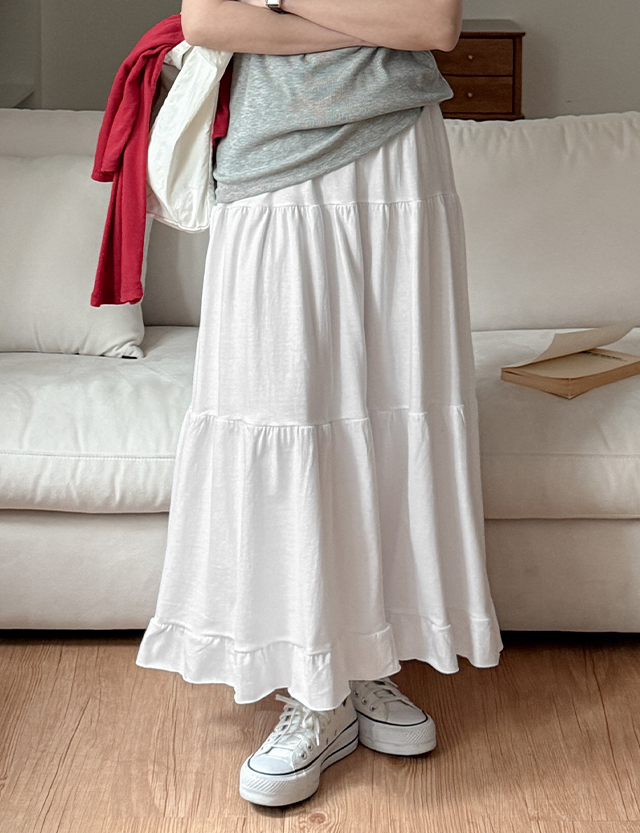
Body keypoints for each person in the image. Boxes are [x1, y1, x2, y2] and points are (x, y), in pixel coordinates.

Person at [136, 0, 504, 807]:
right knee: (282, 412)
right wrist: (369, 21)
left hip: (397, 157)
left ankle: (366, 659)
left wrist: (277, 1)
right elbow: (207, 20)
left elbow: (435, 27)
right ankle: (313, 687)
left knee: (390, 406)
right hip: (270, 165)